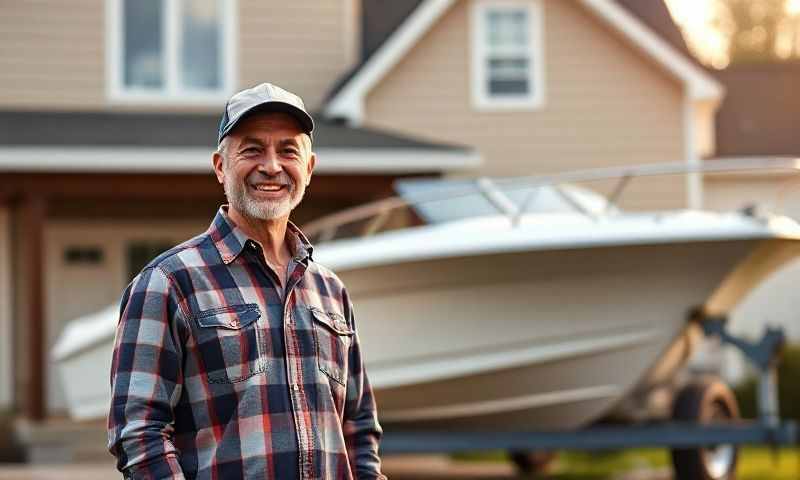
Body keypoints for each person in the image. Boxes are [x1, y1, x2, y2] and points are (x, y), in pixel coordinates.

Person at [108, 83, 386, 480]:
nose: (272, 165)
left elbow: (359, 429)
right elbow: (138, 434)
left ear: (308, 168)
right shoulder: (168, 283)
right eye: (252, 149)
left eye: (288, 150)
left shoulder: (330, 291)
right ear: (221, 166)